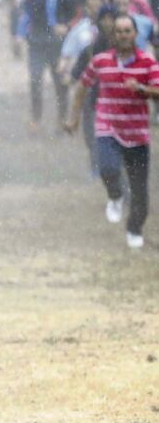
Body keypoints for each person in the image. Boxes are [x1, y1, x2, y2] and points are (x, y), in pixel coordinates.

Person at [66, 14, 159, 249]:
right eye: (119, 31)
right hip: (108, 127)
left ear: (135, 34)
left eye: (128, 31)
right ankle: (115, 195)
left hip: (137, 133)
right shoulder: (100, 61)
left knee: (140, 193)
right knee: (107, 168)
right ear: (113, 35)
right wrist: (74, 118)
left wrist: (141, 89)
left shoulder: (147, 62)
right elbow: (82, 86)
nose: (124, 35)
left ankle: (134, 228)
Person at [16, 0, 76, 133]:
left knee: (60, 82)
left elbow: (76, 16)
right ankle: (36, 118)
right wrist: (19, 35)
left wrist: (66, 27)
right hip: (36, 43)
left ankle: (62, 117)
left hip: (57, 45)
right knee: (35, 80)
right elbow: (26, 15)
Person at [67, 5, 117, 177]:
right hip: (94, 99)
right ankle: (96, 166)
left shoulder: (124, 48)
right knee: (91, 135)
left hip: (119, 100)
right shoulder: (91, 49)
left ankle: (113, 167)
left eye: (111, 19)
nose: (108, 23)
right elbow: (77, 73)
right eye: (104, 19)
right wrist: (70, 79)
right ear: (99, 22)